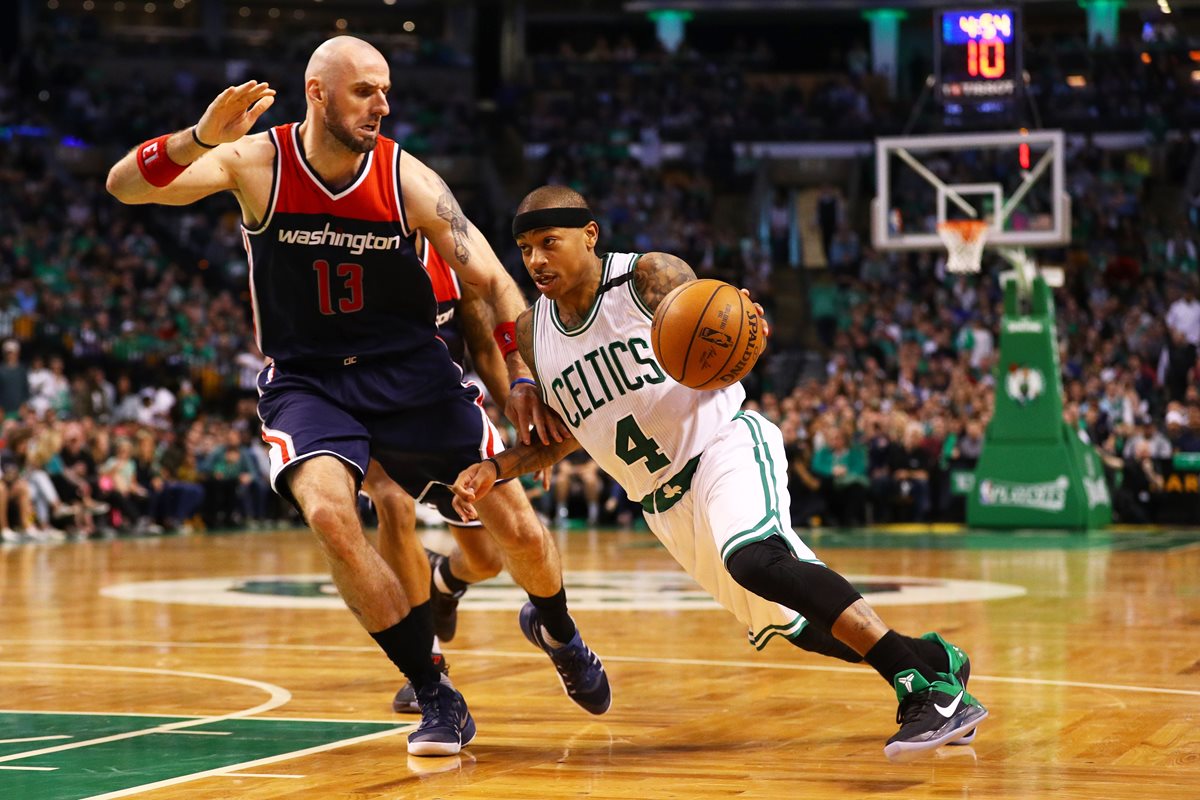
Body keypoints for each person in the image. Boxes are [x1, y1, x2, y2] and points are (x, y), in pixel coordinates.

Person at [105, 37, 609, 757]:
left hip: (411, 375)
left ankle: (557, 628)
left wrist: (522, 378)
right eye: (365, 91)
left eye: (385, 89)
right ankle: (435, 693)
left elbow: (494, 284)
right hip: (309, 380)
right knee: (332, 517)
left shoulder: (407, 179)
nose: (383, 104)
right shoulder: (256, 164)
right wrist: (196, 140)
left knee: (517, 534)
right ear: (317, 92)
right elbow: (124, 186)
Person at [450, 185, 987, 763]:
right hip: (663, 505)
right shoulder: (534, 333)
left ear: (589, 235)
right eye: (526, 249)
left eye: (548, 243)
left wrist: (742, 325)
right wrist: (496, 467)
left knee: (757, 558)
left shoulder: (646, 278)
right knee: (799, 628)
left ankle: (926, 694)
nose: (535, 261)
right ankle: (934, 660)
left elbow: (719, 325)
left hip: (721, 447)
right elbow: (578, 429)